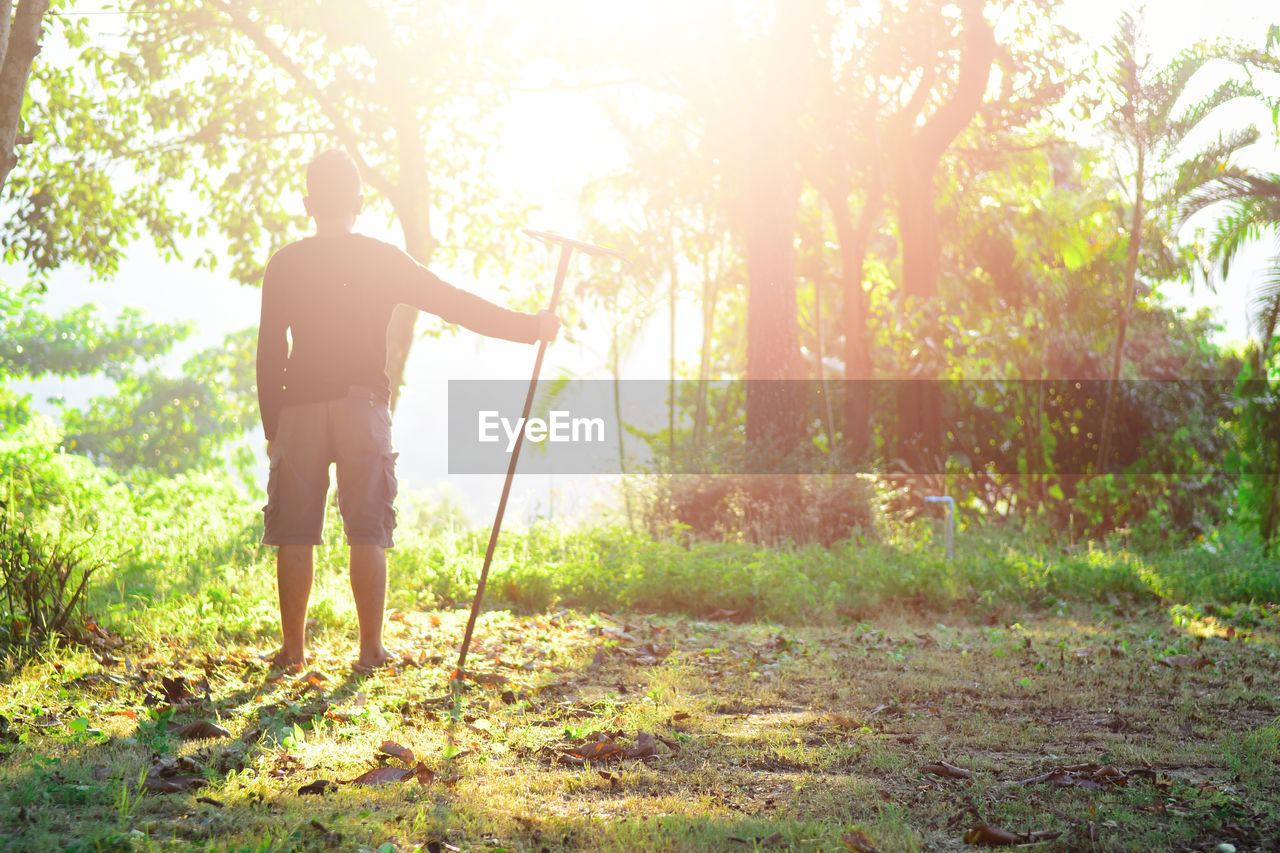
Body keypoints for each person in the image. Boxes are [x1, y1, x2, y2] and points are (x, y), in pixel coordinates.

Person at [256, 148, 559, 671]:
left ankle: (293, 651)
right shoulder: (383, 258)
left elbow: (268, 349)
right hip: (362, 407)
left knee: (295, 531)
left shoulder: (285, 263)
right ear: (360, 200)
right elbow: (455, 303)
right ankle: (371, 651)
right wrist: (530, 328)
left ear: (308, 203)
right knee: (367, 528)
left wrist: (272, 425)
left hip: (299, 411)